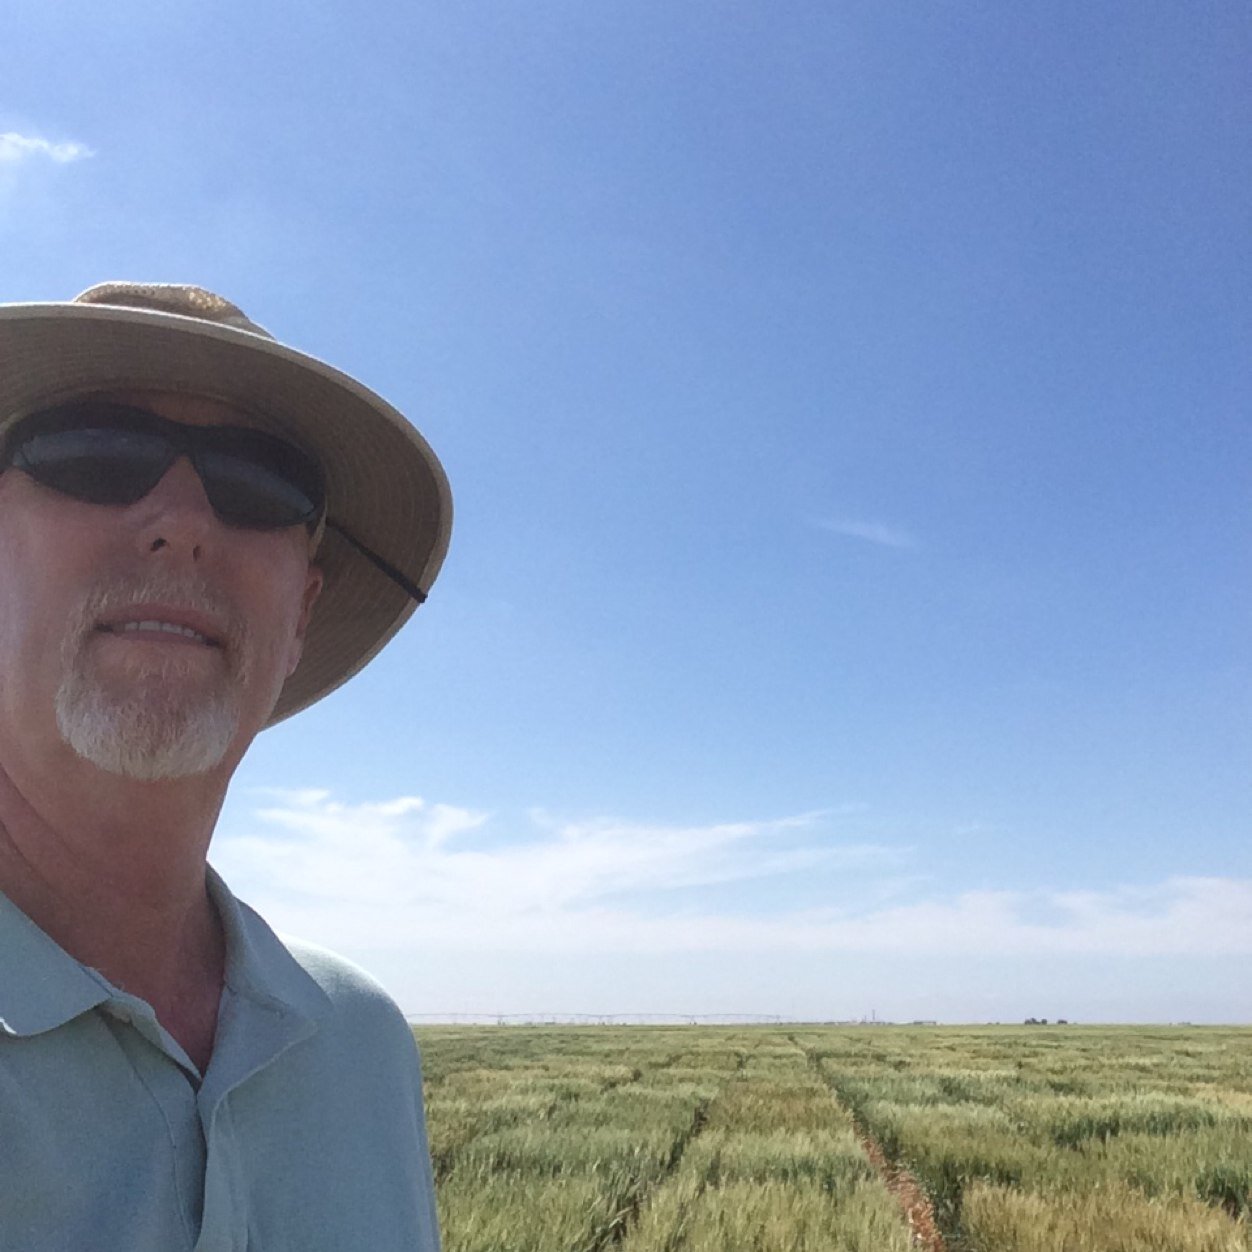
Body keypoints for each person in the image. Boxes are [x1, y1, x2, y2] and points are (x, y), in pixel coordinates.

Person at [0, 282, 451, 1250]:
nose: (181, 520)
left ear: (300, 615)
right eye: (96, 452)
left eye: (260, 481)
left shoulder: (364, 1048)